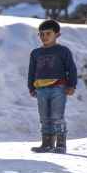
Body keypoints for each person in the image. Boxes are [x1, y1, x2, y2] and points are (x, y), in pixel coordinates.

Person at [28, 19, 77, 154]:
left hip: (58, 88)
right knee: (44, 116)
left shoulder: (63, 51)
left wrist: (71, 85)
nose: (44, 37)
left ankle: (61, 144)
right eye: (41, 34)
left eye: (48, 33)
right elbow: (31, 72)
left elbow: (71, 69)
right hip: (40, 90)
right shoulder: (35, 53)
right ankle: (46, 143)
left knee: (57, 116)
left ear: (57, 35)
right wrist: (31, 88)